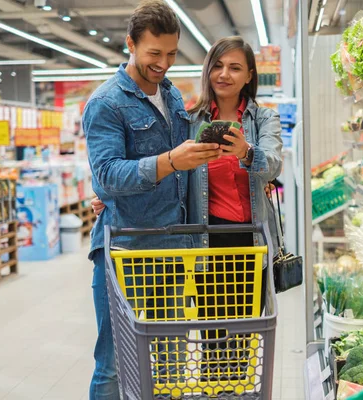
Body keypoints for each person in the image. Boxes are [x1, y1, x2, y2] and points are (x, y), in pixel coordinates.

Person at [82, 1, 222, 399]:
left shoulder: (172, 94)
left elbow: (178, 171)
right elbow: (107, 175)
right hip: (126, 250)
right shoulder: (106, 103)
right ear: (131, 44)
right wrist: (168, 161)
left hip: (173, 247)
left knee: (173, 359)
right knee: (114, 364)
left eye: (172, 54)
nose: (164, 63)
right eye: (154, 54)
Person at [186, 36, 283, 381]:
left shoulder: (263, 119)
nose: (224, 74)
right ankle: (216, 389)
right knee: (212, 337)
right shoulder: (189, 120)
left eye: (235, 68)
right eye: (217, 65)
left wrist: (245, 152)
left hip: (250, 240)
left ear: (249, 76)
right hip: (206, 240)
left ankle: (236, 388)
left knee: (243, 337)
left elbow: (272, 166)